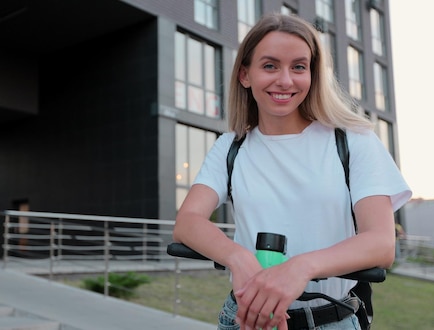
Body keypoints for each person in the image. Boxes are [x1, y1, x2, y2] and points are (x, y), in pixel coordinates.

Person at [173, 13, 411, 330]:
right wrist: (238, 258)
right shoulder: (231, 146)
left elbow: (381, 245)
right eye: (270, 66)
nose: (285, 80)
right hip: (247, 318)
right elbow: (187, 222)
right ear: (245, 74)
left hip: (331, 320)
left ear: (312, 74)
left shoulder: (353, 141)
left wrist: (300, 268)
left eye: (299, 67)